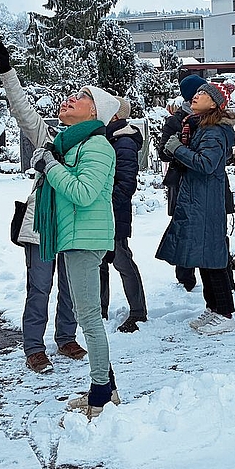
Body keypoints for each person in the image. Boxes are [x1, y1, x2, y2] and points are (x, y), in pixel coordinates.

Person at [0, 40, 85, 373]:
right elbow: (22, 109)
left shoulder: (93, 145)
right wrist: (7, 70)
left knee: (71, 288)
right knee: (39, 288)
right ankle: (34, 346)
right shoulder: (48, 138)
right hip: (43, 225)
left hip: (75, 223)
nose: (67, 103)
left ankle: (66, 337)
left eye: (76, 101)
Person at [30, 85, 120, 419]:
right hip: (75, 236)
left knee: (89, 319)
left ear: (95, 112)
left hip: (86, 238)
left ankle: (100, 396)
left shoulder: (97, 145)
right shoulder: (73, 144)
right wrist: (52, 162)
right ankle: (107, 387)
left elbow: (83, 193)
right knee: (87, 317)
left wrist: (50, 166)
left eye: (83, 97)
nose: (71, 98)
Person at [156, 81, 235, 336]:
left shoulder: (213, 131)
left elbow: (206, 164)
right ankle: (213, 308)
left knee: (212, 256)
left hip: (206, 201)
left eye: (203, 94)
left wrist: (178, 149)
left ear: (214, 104)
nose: (196, 96)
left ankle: (225, 313)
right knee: (203, 255)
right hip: (198, 199)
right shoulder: (201, 126)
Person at [100, 97, 148, 333]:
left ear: (115, 115)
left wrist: (107, 203)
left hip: (114, 211)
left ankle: (138, 312)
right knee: (100, 261)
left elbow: (127, 183)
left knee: (121, 259)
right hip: (104, 210)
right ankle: (99, 310)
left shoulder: (124, 141)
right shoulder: (110, 137)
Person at [159, 74, 206, 291]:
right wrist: (179, 146)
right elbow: (163, 152)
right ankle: (185, 278)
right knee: (184, 228)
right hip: (182, 180)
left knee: (215, 230)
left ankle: (223, 277)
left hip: (207, 181)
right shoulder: (176, 121)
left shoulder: (212, 118)